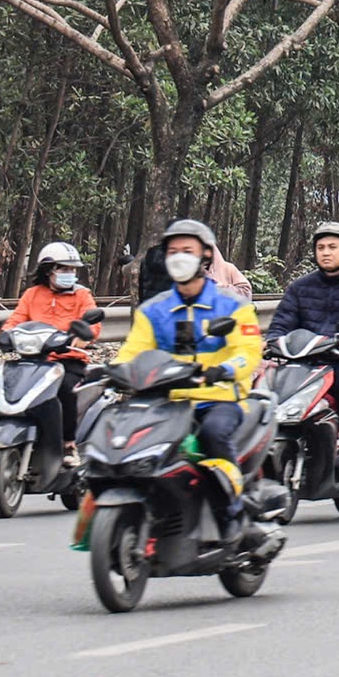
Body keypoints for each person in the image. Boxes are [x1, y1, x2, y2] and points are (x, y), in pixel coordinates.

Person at [118, 219, 270, 548]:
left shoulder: (232, 306)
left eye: (187, 251)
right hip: (166, 402)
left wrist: (227, 369)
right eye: (173, 251)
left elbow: (249, 350)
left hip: (218, 400)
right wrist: (112, 372)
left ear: (205, 257)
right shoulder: (153, 310)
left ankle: (232, 514)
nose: (179, 257)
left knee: (214, 436)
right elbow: (132, 351)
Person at [264, 221, 339, 482]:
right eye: (320, 247)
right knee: (268, 388)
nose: (326, 252)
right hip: (303, 361)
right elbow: (281, 323)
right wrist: (272, 341)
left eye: (333, 247)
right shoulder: (299, 288)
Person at [4, 241, 104, 466]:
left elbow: (92, 325)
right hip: (34, 360)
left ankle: (69, 445)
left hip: (68, 360)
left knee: (66, 390)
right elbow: (16, 320)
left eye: (72, 270)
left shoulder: (81, 295)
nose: (70, 274)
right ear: (48, 271)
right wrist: (1, 336)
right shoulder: (32, 294)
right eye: (64, 269)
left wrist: (84, 337)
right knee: (8, 384)